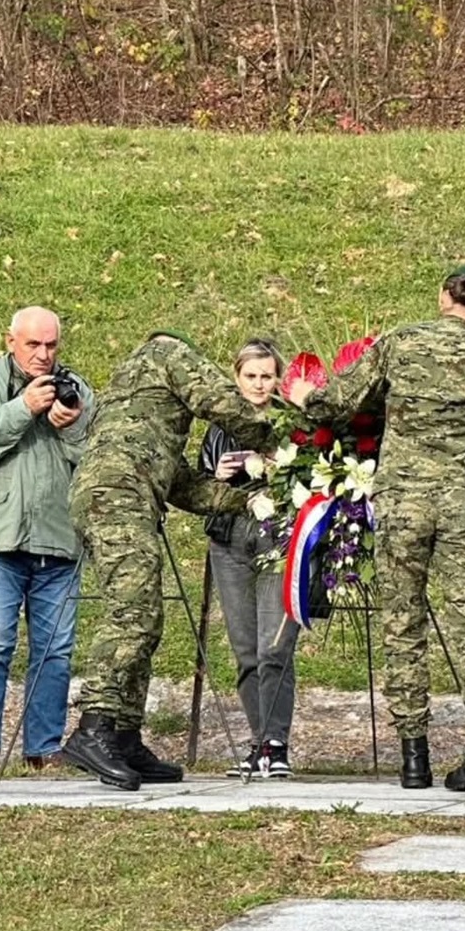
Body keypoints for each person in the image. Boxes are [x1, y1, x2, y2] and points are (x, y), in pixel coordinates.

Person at [289, 265, 465, 791]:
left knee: (403, 624)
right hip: (460, 502)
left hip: (402, 503)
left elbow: (341, 399)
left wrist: (304, 397)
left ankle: (414, 758)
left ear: (442, 297)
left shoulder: (400, 342)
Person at [62, 331, 275, 791]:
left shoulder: (140, 416)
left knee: (148, 616)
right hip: (116, 495)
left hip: (116, 493)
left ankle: (124, 735)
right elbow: (222, 402)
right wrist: (279, 439)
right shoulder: (166, 352)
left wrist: (246, 500)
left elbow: (184, 485)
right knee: (133, 614)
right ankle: (94, 727)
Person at [0, 306, 94, 773]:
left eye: (51, 345)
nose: (43, 354)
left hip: (58, 538)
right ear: (11, 341)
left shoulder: (76, 388)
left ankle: (44, 750)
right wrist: (23, 409)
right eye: (33, 344)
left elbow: (97, 459)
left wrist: (70, 427)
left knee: (55, 652)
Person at [200, 338, 300, 779]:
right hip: (230, 539)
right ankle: (259, 741)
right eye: (250, 376)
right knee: (244, 649)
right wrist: (217, 474)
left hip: (278, 538)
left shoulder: (290, 421)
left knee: (273, 646)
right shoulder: (219, 423)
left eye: (266, 376)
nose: (259, 384)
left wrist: (275, 464)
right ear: (237, 378)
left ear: (278, 378)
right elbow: (201, 486)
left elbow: (311, 476)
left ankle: (276, 742)